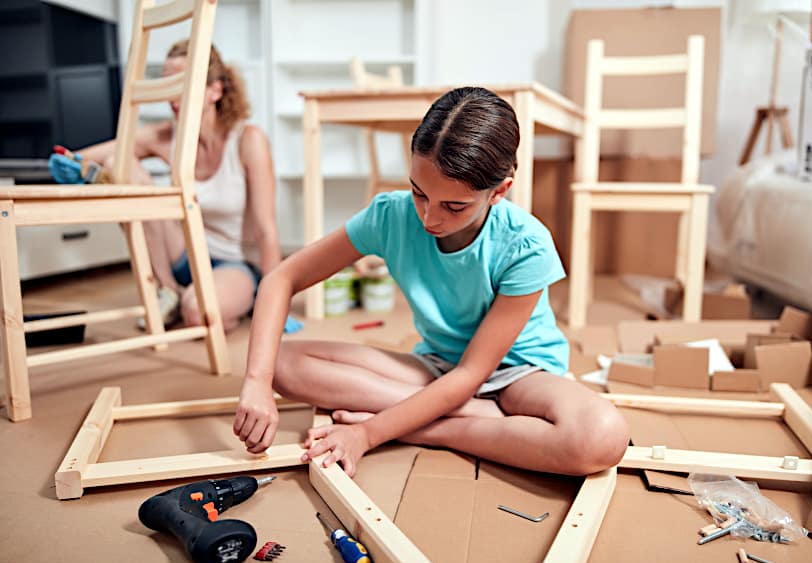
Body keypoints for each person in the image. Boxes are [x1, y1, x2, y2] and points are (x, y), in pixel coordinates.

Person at [233, 87, 629, 477]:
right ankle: (475, 419)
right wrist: (256, 382)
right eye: (419, 193)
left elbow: (472, 375)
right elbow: (281, 278)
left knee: (602, 437)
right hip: (436, 365)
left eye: (454, 206)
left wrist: (368, 433)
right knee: (280, 363)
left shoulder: (526, 244)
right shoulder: (390, 215)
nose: (429, 218)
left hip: (519, 374)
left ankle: (437, 429)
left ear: (499, 192)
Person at [77, 40, 280, 332]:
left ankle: (203, 305)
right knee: (118, 164)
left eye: (182, 86)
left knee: (197, 313)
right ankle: (168, 290)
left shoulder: (248, 140)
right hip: (179, 255)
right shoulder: (164, 136)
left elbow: (266, 229)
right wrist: (71, 165)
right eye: (169, 87)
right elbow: (86, 157)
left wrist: (275, 303)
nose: (173, 98)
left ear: (215, 90)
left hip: (230, 264)